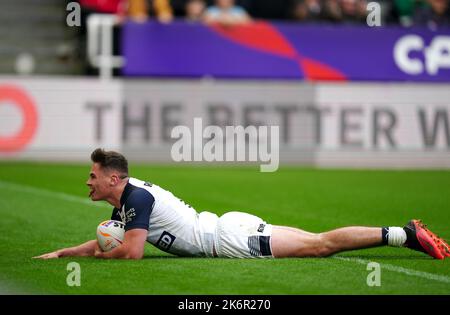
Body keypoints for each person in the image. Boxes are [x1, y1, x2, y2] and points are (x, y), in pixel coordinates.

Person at [34, 148, 450, 260]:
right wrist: (66, 252)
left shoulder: (136, 198)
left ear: (113, 178)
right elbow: (113, 239)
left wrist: (105, 253)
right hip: (226, 227)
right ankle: (403, 235)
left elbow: (132, 252)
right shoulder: (127, 200)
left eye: (93, 175)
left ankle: (404, 236)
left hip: (229, 241)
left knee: (323, 245)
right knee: (319, 242)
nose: (88, 182)